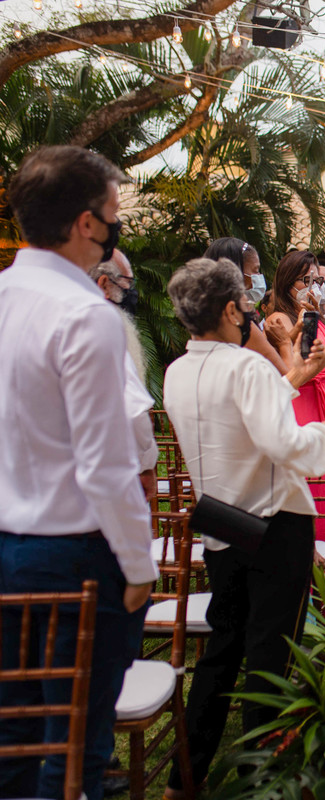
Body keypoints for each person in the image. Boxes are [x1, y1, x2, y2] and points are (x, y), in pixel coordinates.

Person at [0, 145, 157, 800]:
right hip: (78, 561)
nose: (118, 226)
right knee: (76, 748)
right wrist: (139, 566)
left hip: (8, 548)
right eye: (115, 211)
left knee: (13, 737)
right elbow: (105, 465)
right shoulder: (87, 317)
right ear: (87, 224)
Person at [160, 258, 325, 797]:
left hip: (222, 523)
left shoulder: (178, 370)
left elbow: (231, 425)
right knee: (270, 656)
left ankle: (182, 780)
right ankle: (260, 781)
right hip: (275, 522)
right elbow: (284, 444)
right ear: (228, 309)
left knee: (221, 652)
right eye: (243, 300)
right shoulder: (247, 367)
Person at [265, 251, 325, 572]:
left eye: (318, 281)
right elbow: (301, 370)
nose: (314, 287)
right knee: (318, 484)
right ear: (287, 282)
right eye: (306, 281)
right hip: (308, 404)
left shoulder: (315, 318)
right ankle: (317, 568)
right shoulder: (280, 319)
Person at [90, 250, 158, 497]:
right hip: (109, 475)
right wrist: (145, 465)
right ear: (104, 284)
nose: (131, 292)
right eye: (127, 284)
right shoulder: (106, 326)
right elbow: (133, 412)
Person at [202, 237, 288, 376]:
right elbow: (285, 376)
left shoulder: (203, 318)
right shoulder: (240, 322)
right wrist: (285, 344)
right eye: (255, 270)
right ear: (236, 271)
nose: (259, 277)